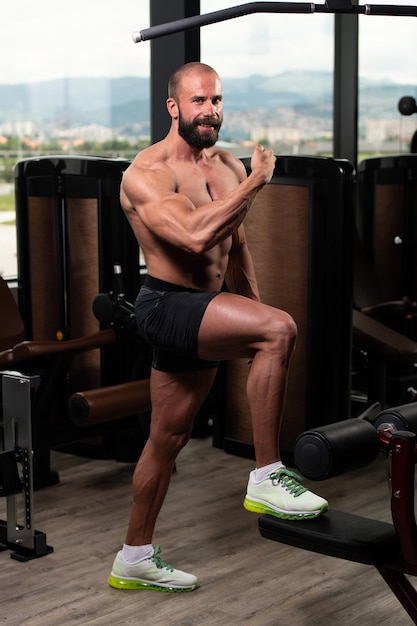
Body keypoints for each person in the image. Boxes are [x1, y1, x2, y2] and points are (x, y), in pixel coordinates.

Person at [108, 62, 328, 593]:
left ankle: (133, 556)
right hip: (167, 305)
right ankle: (266, 475)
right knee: (280, 330)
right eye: (199, 101)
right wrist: (256, 181)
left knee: (168, 438)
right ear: (174, 107)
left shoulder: (225, 163)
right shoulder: (147, 173)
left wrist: (251, 308)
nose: (210, 111)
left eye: (217, 101)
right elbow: (193, 238)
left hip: (206, 306)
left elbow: (236, 244)